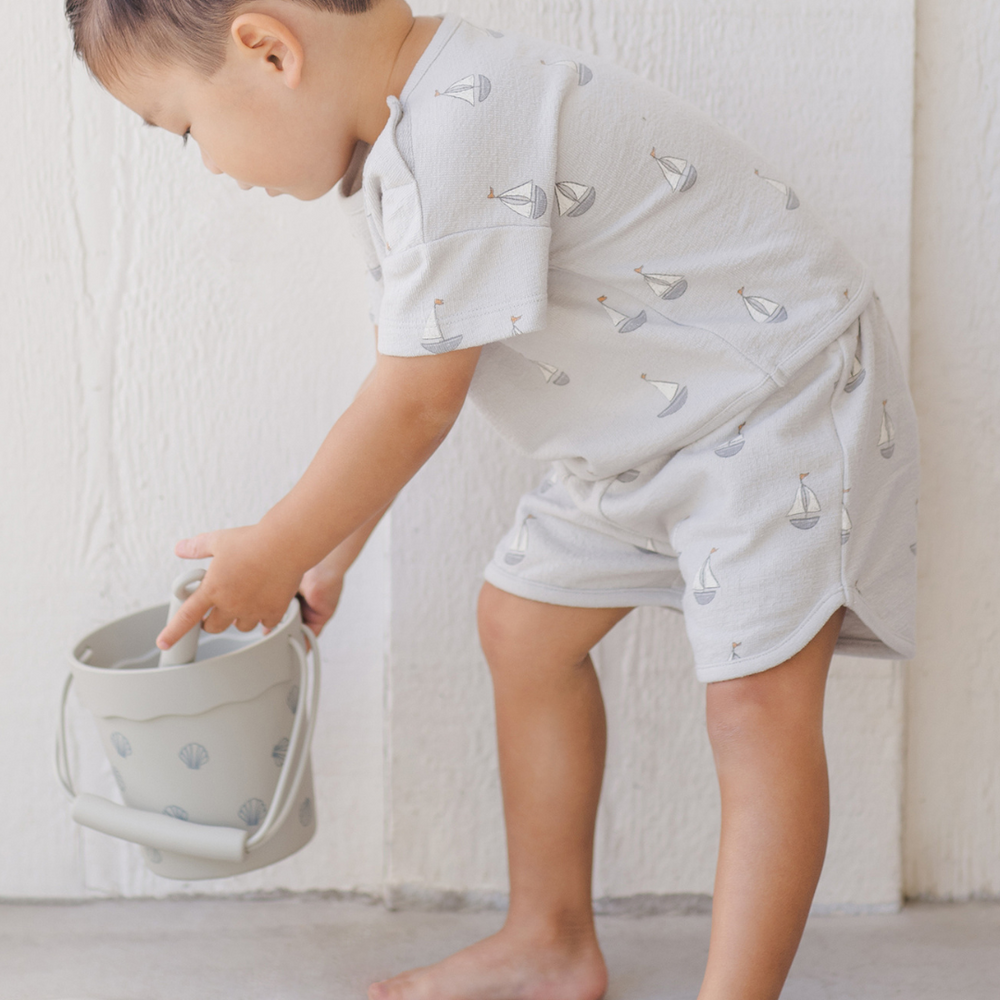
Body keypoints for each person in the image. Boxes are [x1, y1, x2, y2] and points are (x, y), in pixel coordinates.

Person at [64, 2, 920, 998]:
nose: (207, 162)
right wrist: (324, 549)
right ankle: (548, 941)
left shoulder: (457, 127)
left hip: (775, 398)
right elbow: (422, 373)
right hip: (641, 434)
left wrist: (277, 544)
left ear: (267, 50)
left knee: (754, 702)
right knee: (521, 624)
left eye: (183, 128)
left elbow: (414, 404)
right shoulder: (400, 137)